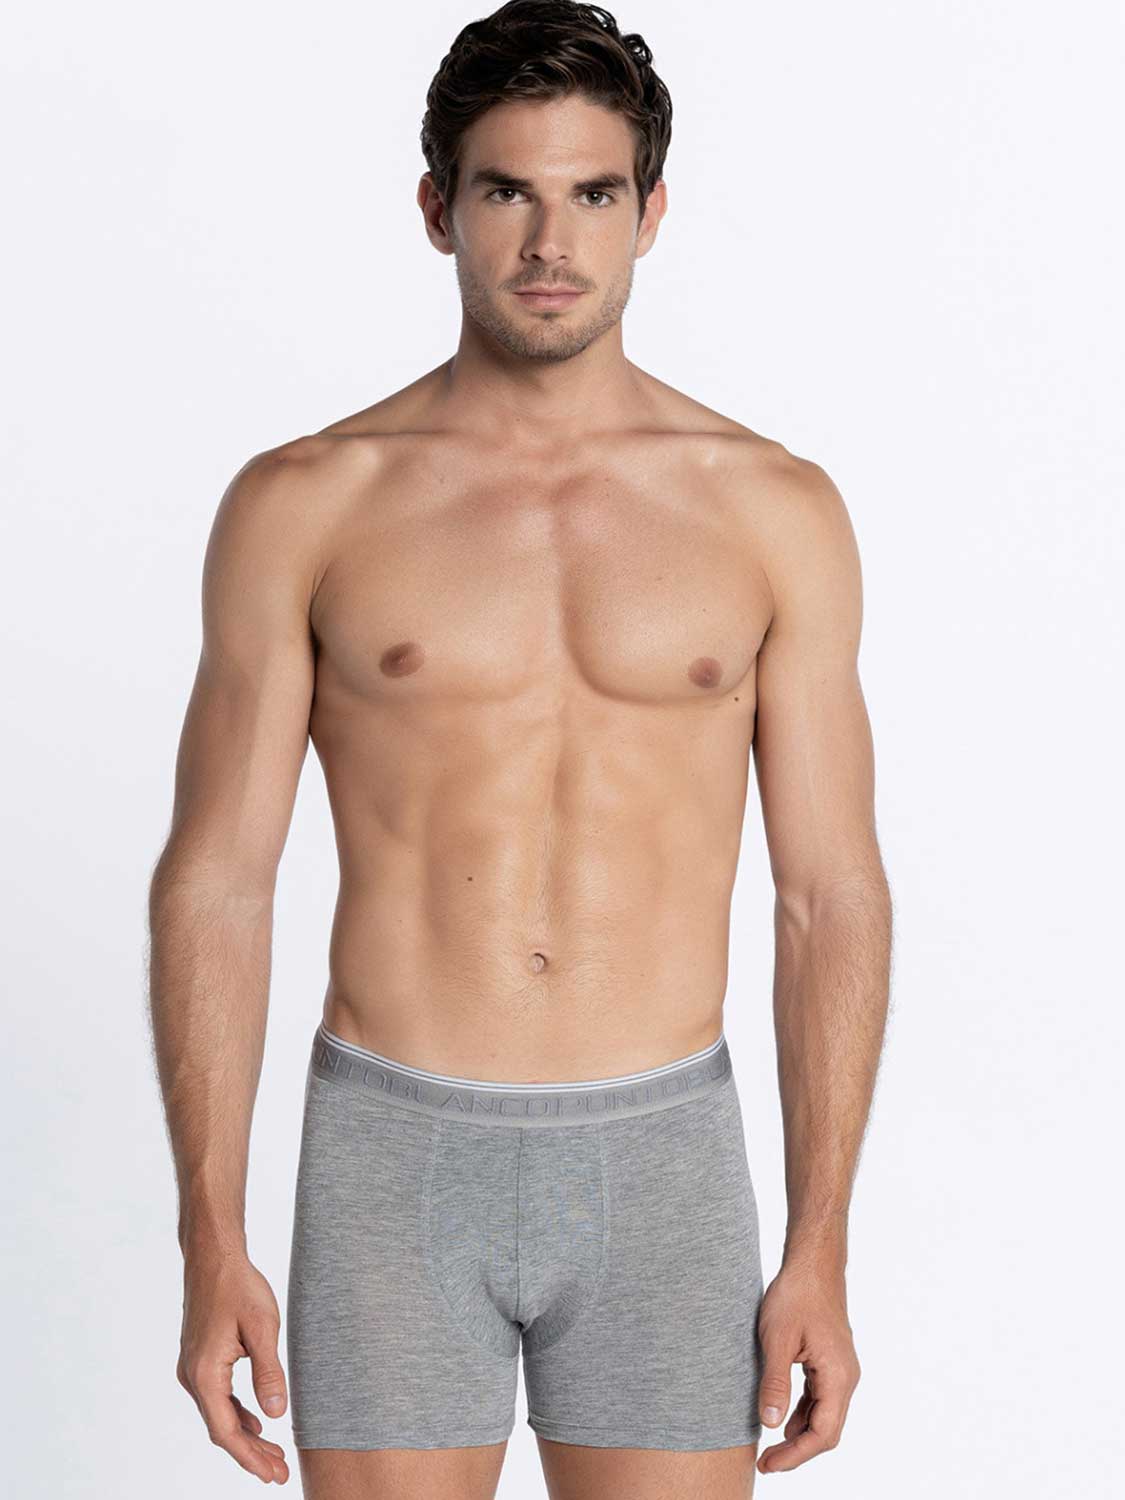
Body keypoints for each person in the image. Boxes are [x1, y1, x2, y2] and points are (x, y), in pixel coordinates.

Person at [146, 2, 892, 1495]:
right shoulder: (308, 503)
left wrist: (819, 1240)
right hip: (393, 1146)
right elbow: (217, 881)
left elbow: (828, 895)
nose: (551, 242)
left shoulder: (773, 510)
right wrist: (208, 1234)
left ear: (650, 213)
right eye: (507, 192)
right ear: (439, 208)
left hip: (662, 1152)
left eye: (593, 193)